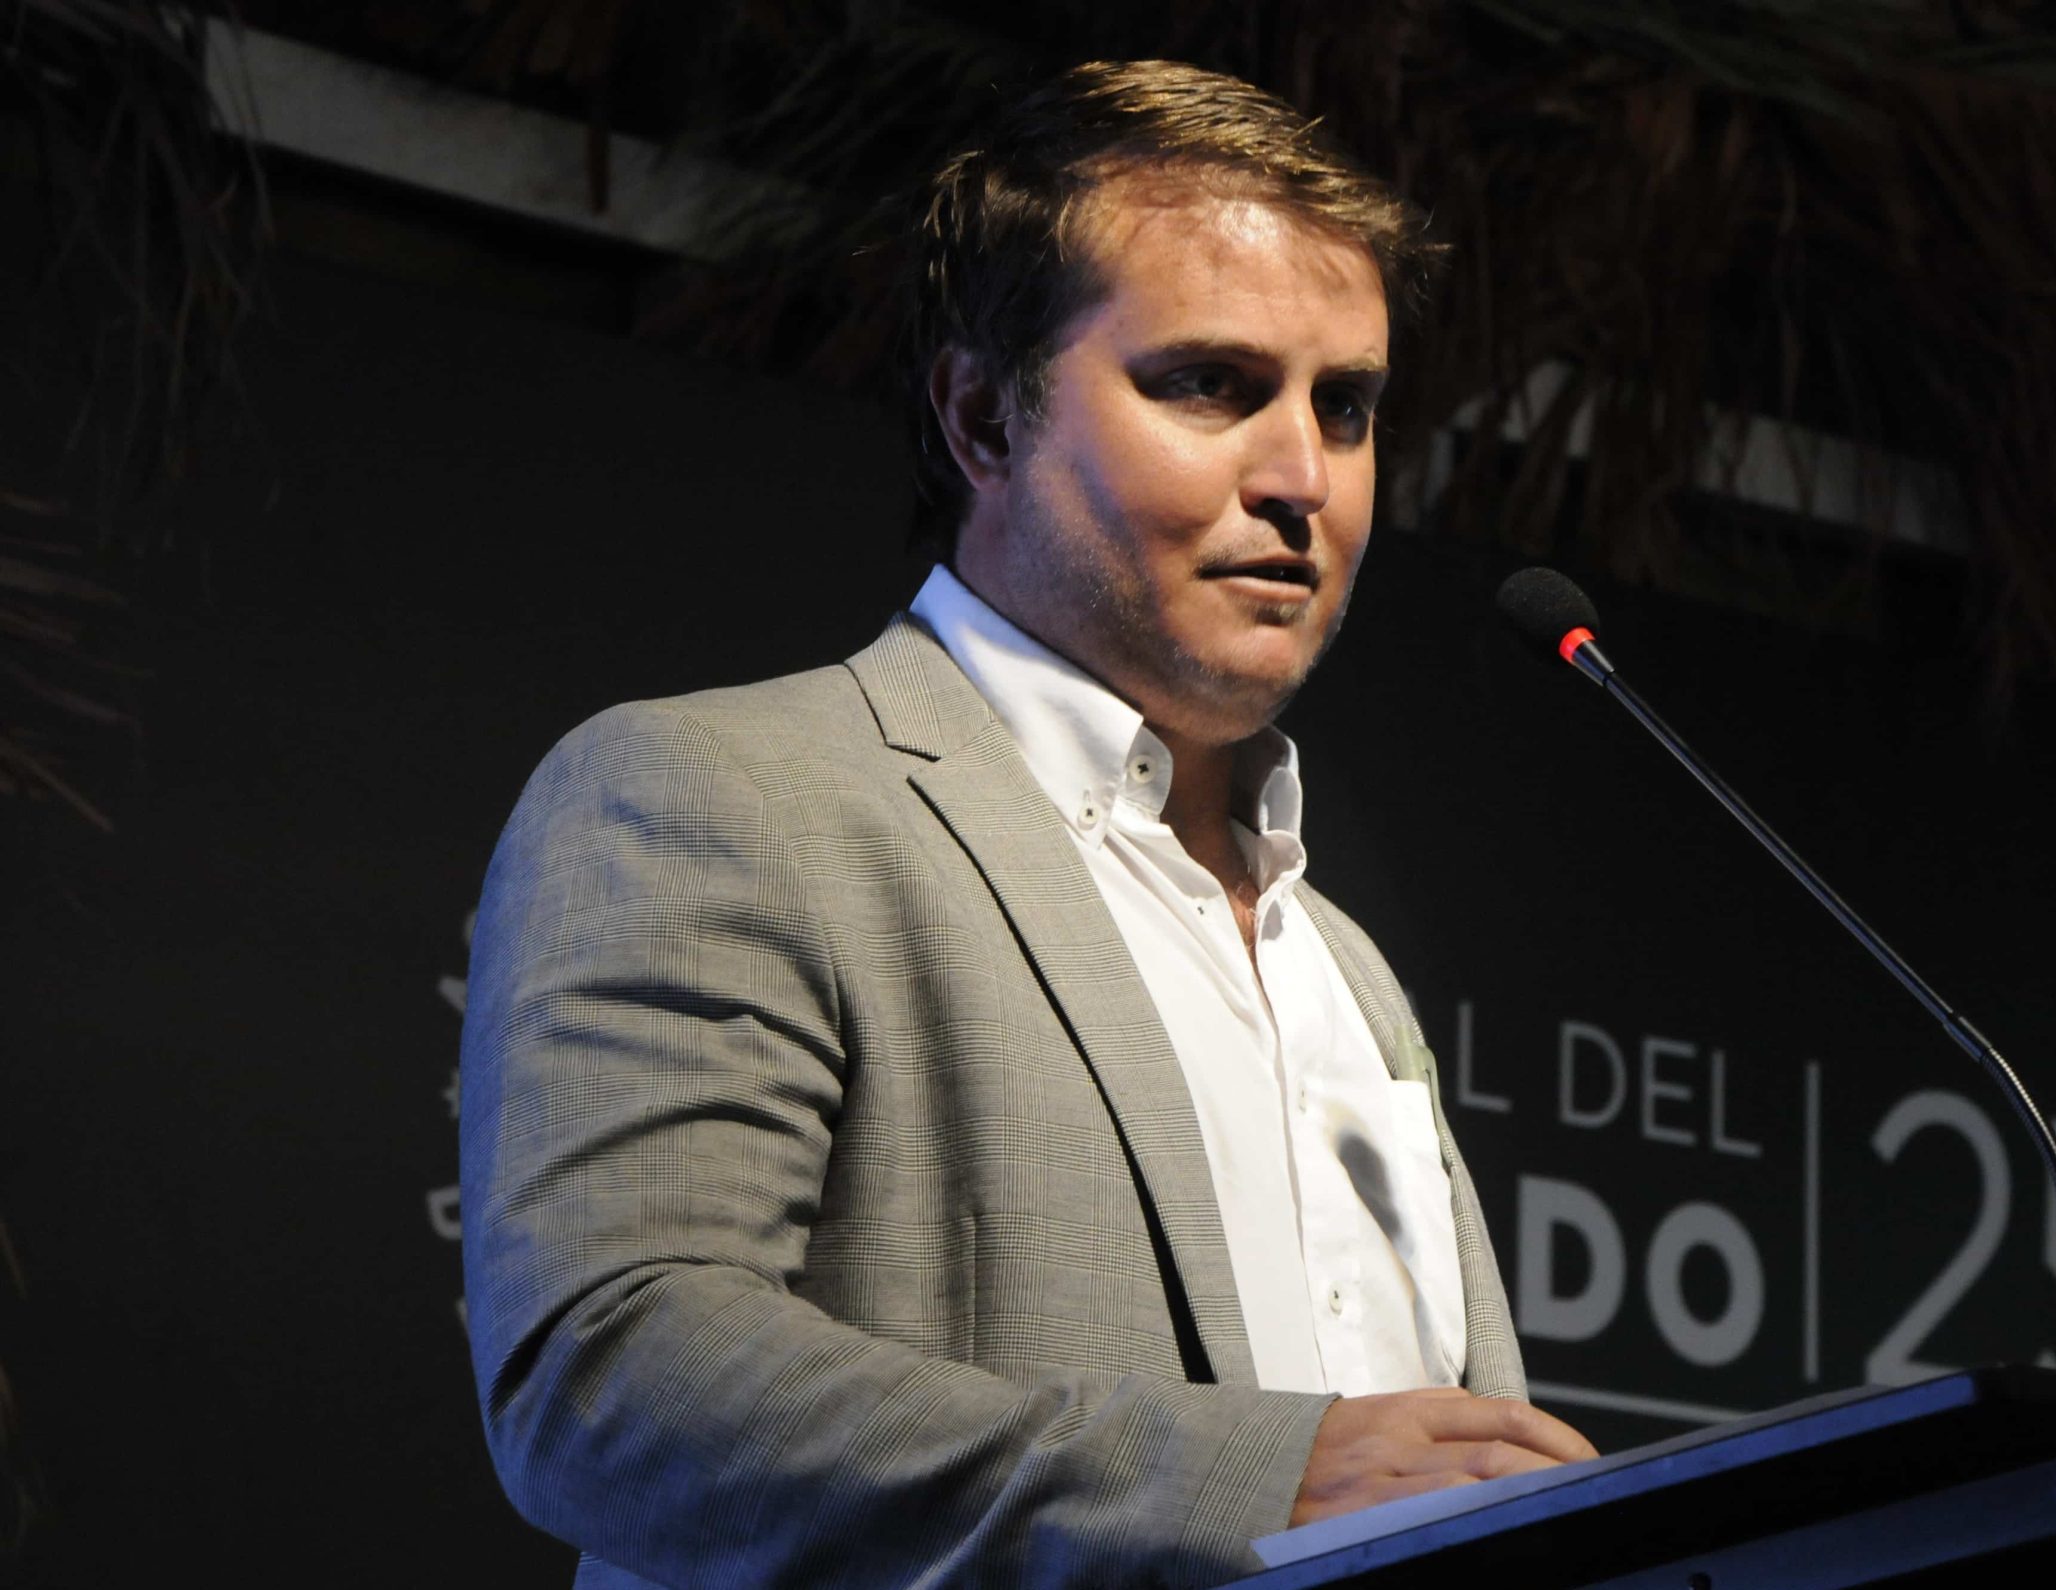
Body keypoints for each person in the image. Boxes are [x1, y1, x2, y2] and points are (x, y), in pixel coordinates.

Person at [459, 59, 1593, 1590]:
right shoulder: (722, 792)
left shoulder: (1345, 965)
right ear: (984, 416)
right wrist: (1259, 1477)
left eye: (1347, 405)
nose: (1302, 477)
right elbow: (611, 1378)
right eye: (1210, 383)